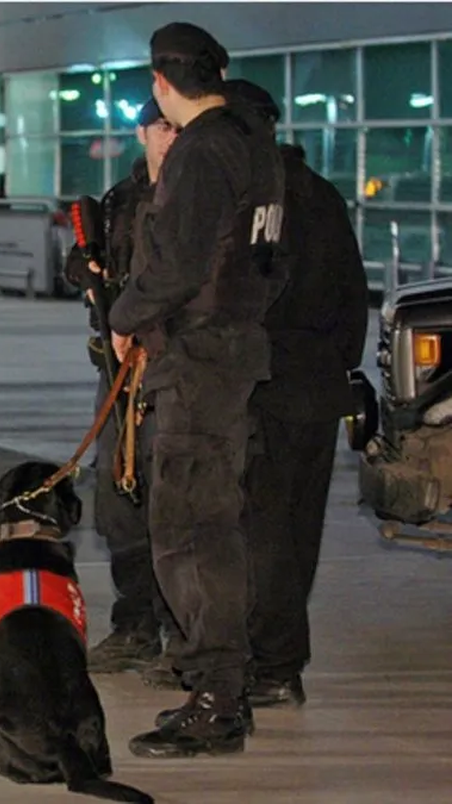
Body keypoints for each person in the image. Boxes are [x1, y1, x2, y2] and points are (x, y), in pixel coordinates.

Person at [107, 22, 286, 759]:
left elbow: (177, 264)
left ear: (161, 82)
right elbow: (271, 264)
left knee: (188, 529)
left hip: (199, 360)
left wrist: (124, 316)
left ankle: (215, 697)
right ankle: (219, 684)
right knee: (213, 524)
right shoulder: (256, 149)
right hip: (234, 351)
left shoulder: (201, 151)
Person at [224, 78, 369, 709]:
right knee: (298, 528)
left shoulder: (255, 200)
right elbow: (353, 295)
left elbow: (244, 295)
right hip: (317, 388)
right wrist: (336, 368)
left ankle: (274, 663)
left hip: (266, 384)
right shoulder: (322, 194)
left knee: (263, 530)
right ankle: (282, 660)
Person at [65, 98, 182, 688]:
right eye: (161, 127)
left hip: (172, 373)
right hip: (115, 380)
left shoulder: (199, 197)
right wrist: (84, 274)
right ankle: (135, 624)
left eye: (178, 126)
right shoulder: (119, 200)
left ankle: (180, 632)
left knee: (175, 505)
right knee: (117, 506)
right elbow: (83, 265)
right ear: (142, 133)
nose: (170, 137)